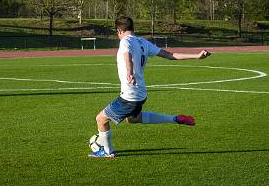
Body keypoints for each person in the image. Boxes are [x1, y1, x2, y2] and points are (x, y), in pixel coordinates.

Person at [88, 16, 211, 158]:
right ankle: (174, 119)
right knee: (133, 119)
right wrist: (197, 56)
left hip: (130, 94)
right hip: (141, 93)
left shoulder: (125, 41)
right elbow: (170, 55)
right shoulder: (143, 42)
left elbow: (127, 56)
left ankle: (107, 151)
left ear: (119, 30)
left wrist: (129, 73)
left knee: (101, 119)